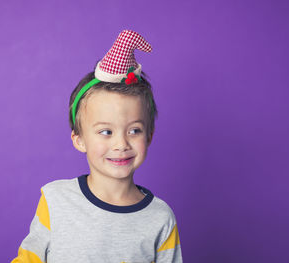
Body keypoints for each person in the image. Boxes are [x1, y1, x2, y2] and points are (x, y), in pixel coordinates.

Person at [11, 30, 183, 263]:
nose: (121, 144)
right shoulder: (55, 200)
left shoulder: (160, 219)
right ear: (79, 139)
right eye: (106, 132)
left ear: (149, 136)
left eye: (134, 130)